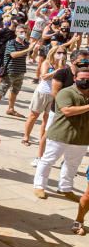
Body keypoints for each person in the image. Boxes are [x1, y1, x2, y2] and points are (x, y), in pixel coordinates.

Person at [34, 67, 89, 201]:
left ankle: (65, 188)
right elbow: (67, 110)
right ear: (75, 79)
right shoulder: (66, 92)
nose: (85, 81)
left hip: (81, 137)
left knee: (72, 164)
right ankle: (39, 186)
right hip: (61, 134)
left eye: (88, 79)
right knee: (48, 160)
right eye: (82, 79)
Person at [0, 24, 32, 117]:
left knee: (15, 91)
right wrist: (28, 49)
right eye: (21, 32)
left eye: (25, 32)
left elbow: (30, 54)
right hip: (10, 71)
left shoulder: (26, 43)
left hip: (20, 71)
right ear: (16, 32)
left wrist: (32, 50)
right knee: (1, 91)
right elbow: (13, 54)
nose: (23, 33)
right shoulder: (11, 42)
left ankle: (11, 109)